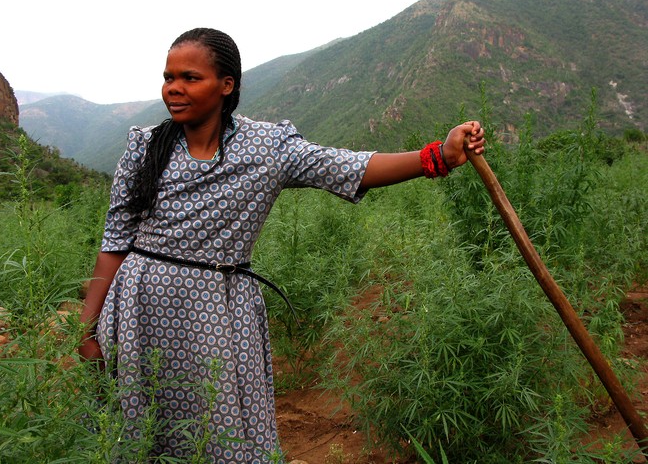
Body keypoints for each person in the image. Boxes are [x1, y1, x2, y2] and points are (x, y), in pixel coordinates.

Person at [79, 27, 485, 463]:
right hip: (140, 307)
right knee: (142, 434)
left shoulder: (268, 148)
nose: (173, 89)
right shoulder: (144, 148)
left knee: (219, 429)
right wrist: (86, 328)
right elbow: (116, 239)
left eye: (190, 78)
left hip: (219, 311)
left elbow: (349, 166)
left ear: (226, 85)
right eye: (168, 77)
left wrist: (437, 157)